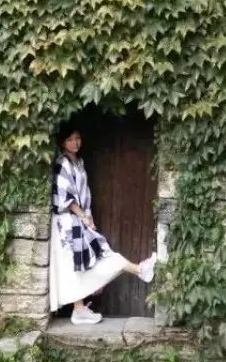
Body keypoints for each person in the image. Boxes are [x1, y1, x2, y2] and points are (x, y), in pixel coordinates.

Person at [49, 121, 157, 325]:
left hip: (78, 220)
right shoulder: (63, 163)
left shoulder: (78, 162)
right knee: (76, 265)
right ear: (63, 142)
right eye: (70, 139)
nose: (75, 142)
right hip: (67, 224)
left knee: (88, 260)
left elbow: (84, 194)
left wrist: (86, 217)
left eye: (77, 138)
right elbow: (65, 197)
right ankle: (139, 270)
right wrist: (83, 216)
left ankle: (80, 308)